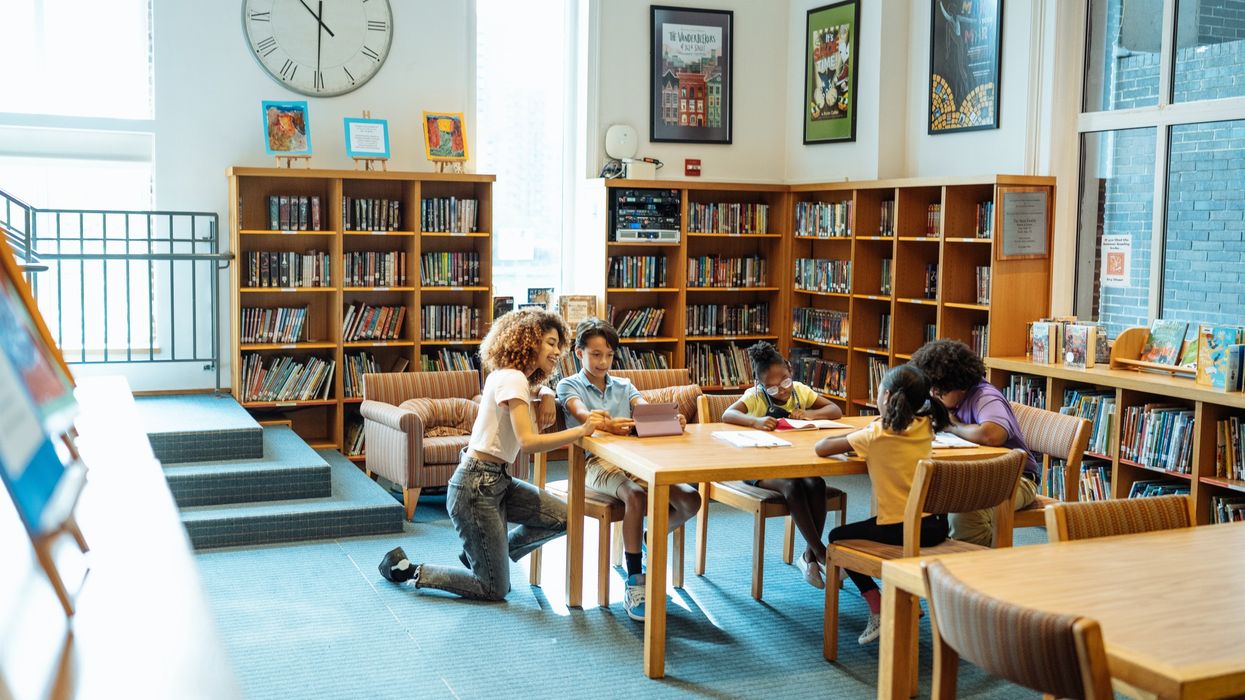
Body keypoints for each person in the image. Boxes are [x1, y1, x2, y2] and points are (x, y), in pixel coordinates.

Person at [377, 308, 604, 600]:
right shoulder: (513, 380)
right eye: (550, 342)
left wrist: (547, 393)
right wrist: (582, 430)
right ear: (528, 341)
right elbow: (528, 442)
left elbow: (533, 398)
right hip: (476, 487)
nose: (557, 351)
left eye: (558, 344)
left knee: (566, 517)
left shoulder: (511, 377)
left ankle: (483, 554)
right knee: (494, 588)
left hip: (496, 480)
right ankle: (408, 569)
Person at [556, 318, 701, 621]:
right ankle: (635, 580)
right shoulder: (568, 384)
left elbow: (646, 410)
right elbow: (583, 415)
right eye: (596, 354)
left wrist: (669, 420)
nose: (603, 361)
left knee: (690, 499)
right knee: (634, 497)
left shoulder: (624, 385)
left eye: (609, 355)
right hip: (593, 463)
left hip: (632, 460)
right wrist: (607, 424)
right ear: (579, 353)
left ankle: (647, 538)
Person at [814, 364, 950, 644]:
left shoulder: (875, 435)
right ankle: (906, 602)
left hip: (902, 529)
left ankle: (878, 606)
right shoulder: (925, 426)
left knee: (836, 538)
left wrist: (872, 426)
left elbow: (823, 447)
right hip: (936, 526)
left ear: (886, 397)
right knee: (864, 528)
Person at [721, 341, 844, 589]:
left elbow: (835, 410)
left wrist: (811, 414)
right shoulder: (755, 397)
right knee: (793, 487)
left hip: (795, 464)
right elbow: (728, 414)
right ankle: (821, 553)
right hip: (759, 471)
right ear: (760, 385)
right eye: (773, 388)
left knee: (816, 484)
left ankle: (809, 556)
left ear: (790, 370)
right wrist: (754, 421)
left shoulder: (799, 391)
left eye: (785, 381)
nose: (782, 391)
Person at [909, 339, 1040, 546]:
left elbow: (993, 434)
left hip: (1016, 479)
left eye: (939, 391)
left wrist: (952, 427)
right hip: (974, 474)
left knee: (967, 513)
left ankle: (986, 569)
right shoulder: (950, 399)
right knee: (915, 497)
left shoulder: (985, 396)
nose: (935, 396)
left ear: (959, 384)